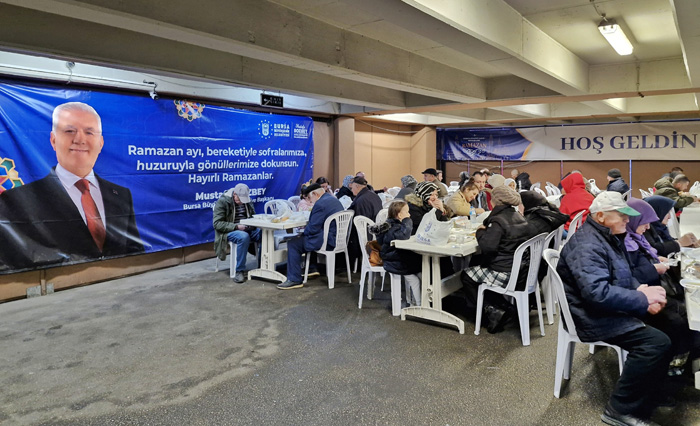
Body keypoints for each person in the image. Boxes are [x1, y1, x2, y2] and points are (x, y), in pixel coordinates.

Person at [556, 191, 672, 425]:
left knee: (670, 322)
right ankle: (619, 409)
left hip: (603, 307)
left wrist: (640, 290)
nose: (627, 220)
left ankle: (648, 391)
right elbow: (596, 294)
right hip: (591, 316)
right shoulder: (588, 245)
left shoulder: (608, 236)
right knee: (655, 343)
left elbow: (623, 273)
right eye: (622, 216)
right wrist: (641, 299)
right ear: (601, 216)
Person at [0, 102, 143, 272]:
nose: (80, 139)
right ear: (53, 140)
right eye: (69, 131)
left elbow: (135, 250)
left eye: (89, 132)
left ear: (100, 143)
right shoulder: (18, 200)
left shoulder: (121, 195)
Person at [461, 186, 537, 333]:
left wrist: (480, 231)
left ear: (495, 201)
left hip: (505, 272)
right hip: (521, 270)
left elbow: (487, 246)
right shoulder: (518, 216)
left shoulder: (498, 220)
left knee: (466, 276)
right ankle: (505, 307)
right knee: (478, 267)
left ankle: (491, 312)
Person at [278, 183, 344, 289]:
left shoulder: (320, 204)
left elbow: (313, 228)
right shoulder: (333, 200)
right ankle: (311, 268)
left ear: (315, 194)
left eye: (309, 198)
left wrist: (302, 233)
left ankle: (294, 279)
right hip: (339, 238)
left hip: (328, 240)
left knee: (293, 243)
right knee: (307, 237)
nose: (310, 201)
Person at [370, 200, 422, 306]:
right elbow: (404, 236)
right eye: (407, 212)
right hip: (394, 262)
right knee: (415, 280)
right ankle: (419, 304)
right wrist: (407, 220)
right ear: (399, 215)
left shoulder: (393, 225)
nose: (409, 215)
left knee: (422, 274)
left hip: (398, 258)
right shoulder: (393, 228)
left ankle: (416, 301)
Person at [213, 184, 261, 283]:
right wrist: (236, 227)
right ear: (234, 194)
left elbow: (253, 216)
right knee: (243, 236)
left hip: (246, 228)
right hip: (229, 231)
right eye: (240, 200)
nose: (242, 202)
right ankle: (239, 271)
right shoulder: (223, 202)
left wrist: (253, 225)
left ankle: (263, 266)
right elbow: (217, 224)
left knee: (263, 232)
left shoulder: (247, 201)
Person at [347, 176, 383, 268]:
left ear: (357, 186)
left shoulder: (361, 200)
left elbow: (362, 223)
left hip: (369, 237)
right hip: (379, 232)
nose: (351, 190)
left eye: (352, 188)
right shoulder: (374, 195)